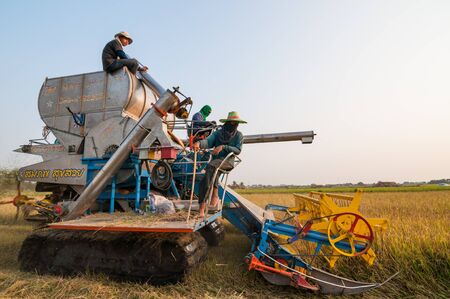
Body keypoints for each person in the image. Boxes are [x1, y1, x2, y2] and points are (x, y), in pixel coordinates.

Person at [193, 111, 247, 218]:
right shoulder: (218, 133)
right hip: (215, 162)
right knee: (209, 174)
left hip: (228, 161)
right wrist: (199, 143)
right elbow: (208, 142)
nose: (234, 125)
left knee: (211, 168)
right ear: (227, 122)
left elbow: (238, 150)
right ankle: (213, 197)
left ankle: (202, 208)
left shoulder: (239, 135)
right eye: (232, 123)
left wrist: (223, 147)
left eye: (236, 123)